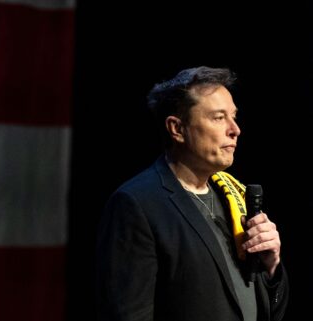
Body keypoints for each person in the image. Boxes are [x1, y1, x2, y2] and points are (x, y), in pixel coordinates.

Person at [96, 66, 289, 321]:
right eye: (219, 118)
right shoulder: (137, 204)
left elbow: (272, 310)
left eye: (233, 116)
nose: (235, 129)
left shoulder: (233, 197)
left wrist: (272, 266)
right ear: (177, 129)